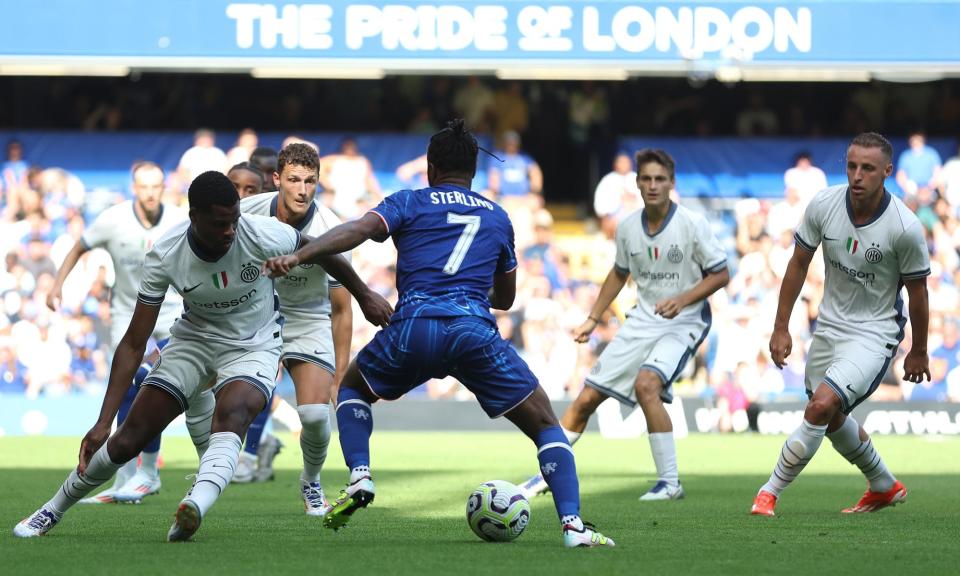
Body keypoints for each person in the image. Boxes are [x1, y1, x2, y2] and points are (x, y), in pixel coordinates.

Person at [264, 119, 615, 548]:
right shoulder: (498, 216)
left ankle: (360, 475)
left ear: (430, 168)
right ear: (474, 172)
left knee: (353, 389)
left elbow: (358, 230)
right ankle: (574, 527)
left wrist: (302, 253)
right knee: (546, 425)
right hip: (473, 330)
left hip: (413, 326)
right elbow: (505, 299)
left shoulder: (409, 201)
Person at [14, 171, 392, 541]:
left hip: (254, 343)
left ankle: (194, 505)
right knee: (129, 439)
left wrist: (364, 294)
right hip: (194, 340)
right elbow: (133, 342)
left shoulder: (261, 232)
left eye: (233, 221)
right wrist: (103, 422)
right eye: (219, 224)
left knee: (234, 414)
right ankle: (54, 508)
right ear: (194, 216)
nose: (229, 231)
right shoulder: (165, 253)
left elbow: (328, 252)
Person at [519, 149, 729, 502]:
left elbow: (721, 274)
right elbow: (619, 273)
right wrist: (593, 317)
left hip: (685, 320)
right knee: (586, 398)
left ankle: (670, 482)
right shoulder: (628, 226)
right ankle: (545, 476)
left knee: (647, 384)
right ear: (636, 183)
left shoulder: (693, 224)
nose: (652, 185)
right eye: (646, 179)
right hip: (642, 320)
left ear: (671, 184)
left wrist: (683, 299)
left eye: (660, 179)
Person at [751, 132, 930, 517]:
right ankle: (884, 485)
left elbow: (918, 293)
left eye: (867, 168)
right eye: (851, 166)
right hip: (829, 328)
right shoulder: (824, 204)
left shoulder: (905, 227)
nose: (857, 175)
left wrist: (918, 350)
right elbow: (798, 263)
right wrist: (781, 326)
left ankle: (768, 493)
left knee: (821, 406)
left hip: (875, 333)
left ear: (887, 171)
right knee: (830, 417)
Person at [46, 161, 187, 504]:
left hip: (173, 315)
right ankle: (126, 479)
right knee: (123, 389)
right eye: (144, 186)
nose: (151, 193)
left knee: (148, 380)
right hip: (128, 315)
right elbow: (79, 246)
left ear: (163, 187)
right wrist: (57, 284)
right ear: (134, 188)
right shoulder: (113, 220)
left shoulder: (180, 220)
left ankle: (149, 471)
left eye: (157, 186)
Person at [237, 143, 353, 514]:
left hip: (307, 319)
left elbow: (341, 308)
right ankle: (218, 468)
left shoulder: (332, 229)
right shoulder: (246, 213)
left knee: (316, 418)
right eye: (294, 180)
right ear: (276, 179)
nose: (302, 189)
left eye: (310, 181)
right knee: (222, 398)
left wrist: (340, 377)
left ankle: (311, 481)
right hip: (254, 316)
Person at [319, 138, 382, 220]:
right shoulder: (334, 159)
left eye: (352, 146)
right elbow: (318, 168)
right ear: (343, 147)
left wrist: (378, 197)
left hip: (358, 204)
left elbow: (371, 182)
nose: (350, 149)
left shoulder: (363, 161)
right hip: (335, 201)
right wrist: (327, 186)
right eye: (348, 146)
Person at [593, 152, 642, 239]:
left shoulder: (637, 179)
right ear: (616, 165)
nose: (624, 165)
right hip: (613, 221)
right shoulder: (608, 181)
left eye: (626, 162)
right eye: (621, 162)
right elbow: (600, 207)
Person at [487, 131, 542, 207]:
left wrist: (532, 192)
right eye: (509, 142)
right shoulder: (497, 157)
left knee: (538, 206)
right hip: (503, 198)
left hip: (524, 199)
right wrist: (500, 195)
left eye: (514, 142)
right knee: (486, 195)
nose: (511, 145)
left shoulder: (525, 158)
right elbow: (493, 180)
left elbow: (536, 174)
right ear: (504, 143)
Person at [896, 130, 942, 203]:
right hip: (911, 191)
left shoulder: (932, 154)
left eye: (918, 138)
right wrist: (910, 189)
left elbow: (938, 174)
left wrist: (929, 189)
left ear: (922, 139)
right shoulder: (905, 156)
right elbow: (900, 176)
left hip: (929, 190)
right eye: (913, 138)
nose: (915, 141)